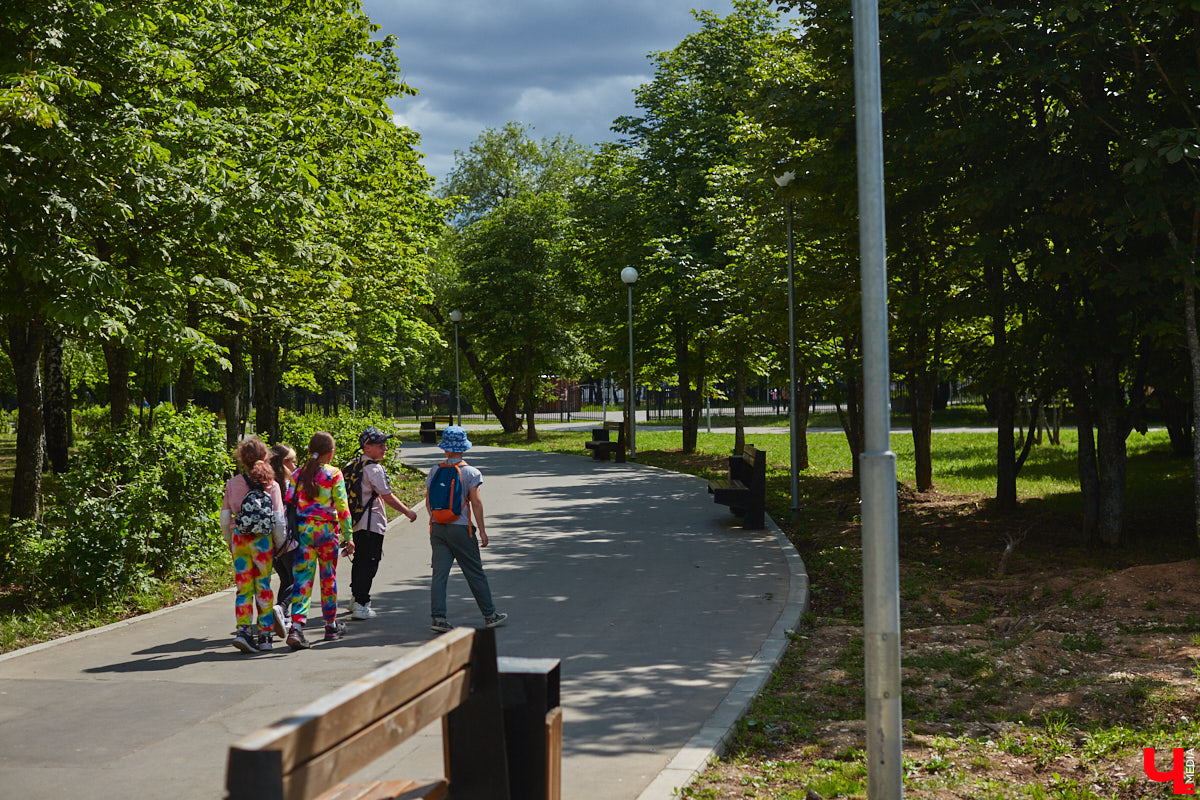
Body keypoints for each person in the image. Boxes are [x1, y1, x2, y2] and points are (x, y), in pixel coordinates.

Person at [425, 425, 507, 633]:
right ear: (464, 448)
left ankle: (438, 618)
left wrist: (436, 519)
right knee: (474, 572)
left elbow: (428, 502)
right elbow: (476, 503)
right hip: (461, 529)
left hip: (438, 528)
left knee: (439, 574)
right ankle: (490, 615)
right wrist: (482, 530)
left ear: (445, 449)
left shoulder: (435, 470)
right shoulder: (471, 472)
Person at [285, 431, 355, 649]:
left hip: (304, 532)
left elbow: (288, 502)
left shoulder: (298, 474)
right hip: (326, 533)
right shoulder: (334, 474)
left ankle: (296, 627)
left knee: (302, 580)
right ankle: (330, 625)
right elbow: (343, 508)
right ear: (330, 452)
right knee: (328, 578)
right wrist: (349, 536)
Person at [220, 437, 285, 654]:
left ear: (241, 459)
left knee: (243, 588)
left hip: (240, 538)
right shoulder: (272, 484)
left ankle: (244, 632)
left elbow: (224, 518)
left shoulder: (233, 483)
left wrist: (231, 541)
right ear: (265, 456)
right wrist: (280, 543)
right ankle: (265, 635)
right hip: (263, 541)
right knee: (263, 586)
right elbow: (278, 519)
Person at [349, 427, 419, 620]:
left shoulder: (354, 464)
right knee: (370, 564)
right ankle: (361, 605)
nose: (385, 448)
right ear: (367, 447)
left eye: (385, 444)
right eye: (380, 445)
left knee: (360, 562)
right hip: (371, 523)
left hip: (356, 523)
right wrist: (407, 511)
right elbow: (387, 497)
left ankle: (356, 598)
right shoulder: (374, 469)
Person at [268, 443, 299, 631]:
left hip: (269, 543)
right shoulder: (286, 486)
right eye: (293, 461)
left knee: (286, 579)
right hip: (287, 541)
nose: (295, 466)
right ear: (283, 463)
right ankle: (282, 608)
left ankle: (282, 617)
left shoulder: (268, 484)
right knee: (298, 579)